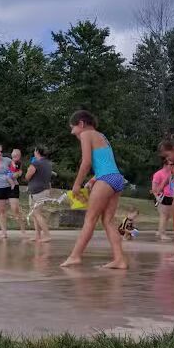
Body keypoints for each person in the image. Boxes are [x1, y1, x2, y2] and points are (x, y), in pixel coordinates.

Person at [60, 110, 128, 269]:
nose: (72, 132)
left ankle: (75, 256)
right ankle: (119, 259)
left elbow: (86, 162)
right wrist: (92, 180)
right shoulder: (101, 136)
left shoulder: (86, 134)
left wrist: (76, 185)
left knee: (90, 219)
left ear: (81, 124)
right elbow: (106, 163)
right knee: (108, 221)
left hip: (105, 179)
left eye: (73, 127)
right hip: (116, 178)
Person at [25, 146, 52, 243]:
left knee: (37, 213)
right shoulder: (48, 163)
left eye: (34, 150)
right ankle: (37, 235)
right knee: (35, 214)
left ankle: (47, 235)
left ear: (37, 152)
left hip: (37, 191)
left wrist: (28, 170)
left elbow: (27, 176)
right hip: (44, 190)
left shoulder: (36, 163)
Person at [151, 160, 174, 241]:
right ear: (165, 165)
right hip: (162, 196)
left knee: (167, 216)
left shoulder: (172, 173)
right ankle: (162, 234)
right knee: (164, 215)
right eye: (171, 164)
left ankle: (160, 231)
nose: (173, 166)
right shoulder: (158, 174)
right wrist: (157, 197)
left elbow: (173, 185)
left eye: (173, 164)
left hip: (170, 196)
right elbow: (154, 187)